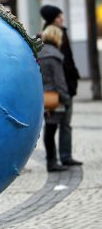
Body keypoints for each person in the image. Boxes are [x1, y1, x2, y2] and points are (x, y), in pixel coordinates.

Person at [40, 5, 82, 166]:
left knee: (59, 125)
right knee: (53, 126)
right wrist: (65, 93)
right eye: (59, 17)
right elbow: (62, 69)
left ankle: (60, 158)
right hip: (56, 91)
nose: (61, 19)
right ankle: (54, 160)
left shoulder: (47, 40)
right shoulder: (53, 41)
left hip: (55, 90)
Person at [38, 26, 70, 172]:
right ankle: (52, 162)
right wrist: (66, 98)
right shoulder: (54, 56)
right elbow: (60, 81)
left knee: (48, 130)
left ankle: (51, 160)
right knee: (51, 130)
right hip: (54, 98)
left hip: (43, 96)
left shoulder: (39, 53)